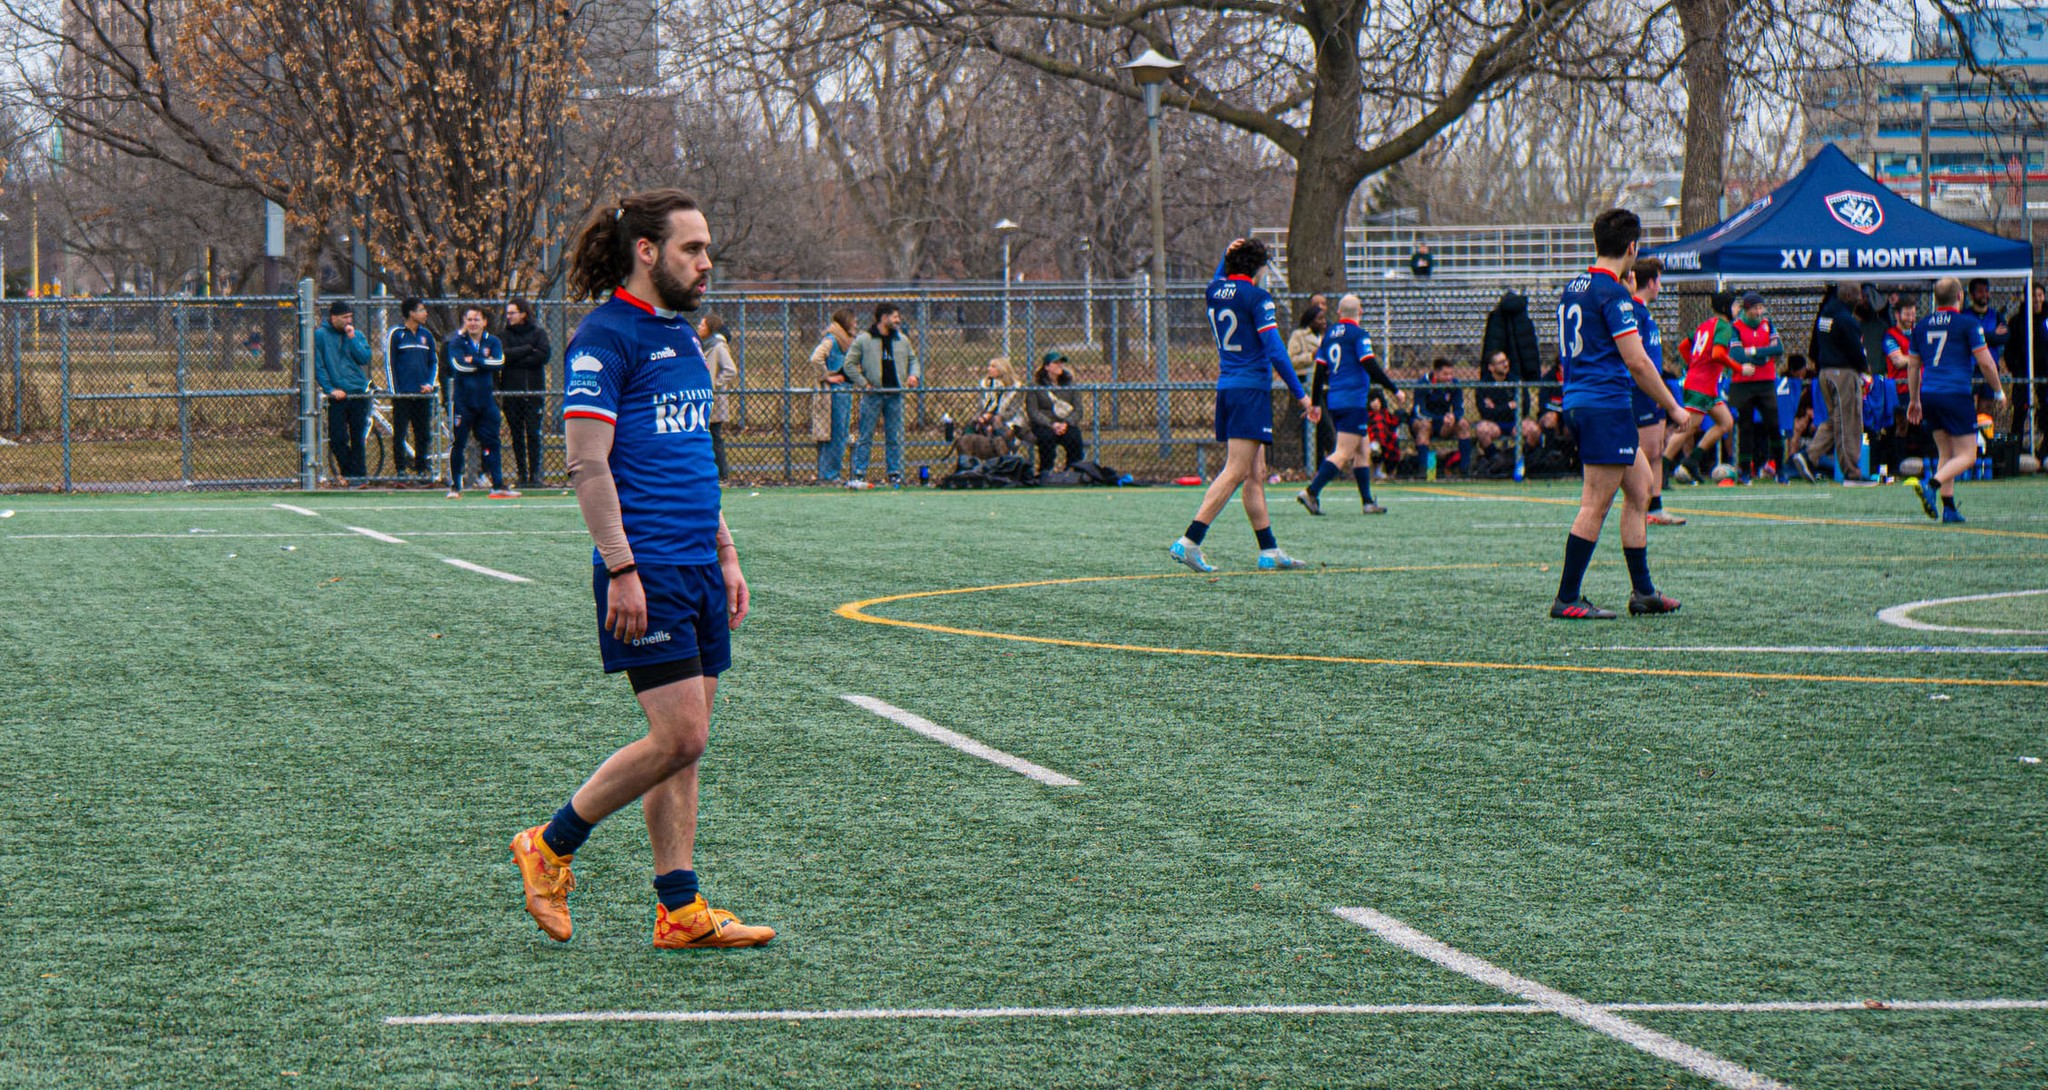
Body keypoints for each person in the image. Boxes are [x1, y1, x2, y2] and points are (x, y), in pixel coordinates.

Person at [509, 186, 774, 951]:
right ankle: (550, 845)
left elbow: (693, 457)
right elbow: (588, 467)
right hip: (647, 567)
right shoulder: (603, 339)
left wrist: (726, 553)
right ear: (647, 252)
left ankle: (679, 909)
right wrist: (621, 568)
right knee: (680, 736)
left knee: (688, 745)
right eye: (693, 249)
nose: (706, 263)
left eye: (708, 249)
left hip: (696, 565)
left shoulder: (684, 336)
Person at [1548, 209, 1689, 620]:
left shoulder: (1574, 286)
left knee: (1641, 485)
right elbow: (1639, 362)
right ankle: (1567, 597)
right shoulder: (1612, 293)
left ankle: (1643, 592)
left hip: (1585, 399)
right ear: (1632, 248)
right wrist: (1673, 407)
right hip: (1604, 403)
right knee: (1596, 502)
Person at [1169, 238, 1316, 572]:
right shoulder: (1258, 298)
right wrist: (1301, 395)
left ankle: (1269, 550)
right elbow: (1276, 351)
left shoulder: (1214, 291)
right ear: (1259, 269)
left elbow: (1220, 280)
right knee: (1236, 471)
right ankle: (1189, 541)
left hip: (1229, 388)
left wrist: (1225, 255)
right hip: (1251, 390)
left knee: (1255, 473)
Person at [1905, 276, 2007, 523]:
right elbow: (1985, 362)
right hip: (1956, 394)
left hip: (1929, 394)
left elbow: (1913, 366)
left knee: (1947, 452)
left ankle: (1949, 508)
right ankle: (1931, 484)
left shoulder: (1921, 325)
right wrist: (1998, 390)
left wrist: (1914, 400)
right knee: (1968, 455)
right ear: (1960, 296)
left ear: (1936, 298)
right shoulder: (1967, 324)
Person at [1297, 294, 1401, 515]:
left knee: (1362, 450)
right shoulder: (1359, 335)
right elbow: (1369, 363)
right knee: (1343, 452)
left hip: (1336, 400)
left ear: (1338, 313)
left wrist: (1315, 403)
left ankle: (1367, 502)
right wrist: (1394, 389)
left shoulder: (1329, 336)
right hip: (1352, 401)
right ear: (1360, 312)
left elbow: (1318, 371)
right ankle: (1311, 492)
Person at [1625, 259, 1684, 526]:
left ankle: (1656, 508)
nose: (1660, 285)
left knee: (1657, 450)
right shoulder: (1633, 313)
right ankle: (1641, 506)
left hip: (1654, 391)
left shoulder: (1644, 313)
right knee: (1646, 452)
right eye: (1659, 280)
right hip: (1641, 392)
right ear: (1650, 282)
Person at [1796, 282, 1872, 484]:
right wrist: (1866, 371)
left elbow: (1814, 347)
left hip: (1825, 372)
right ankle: (1852, 472)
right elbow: (1856, 352)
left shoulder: (1825, 316)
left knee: (1836, 419)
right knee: (1849, 421)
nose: (1861, 300)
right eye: (1859, 297)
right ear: (1850, 297)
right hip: (1843, 374)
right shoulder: (1847, 320)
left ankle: (1808, 457)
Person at [1662, 290, 1741, 484]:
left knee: (1726, 422)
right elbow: (1717, 354)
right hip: (1701, 385)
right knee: (1689, 428)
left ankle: (1691, 461)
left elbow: (1683, 347)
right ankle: (1662, 469)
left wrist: (1694, 364)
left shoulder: (1706, 324)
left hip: (1705, 384)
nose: (1738, 309)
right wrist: (1739, 368)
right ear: (1725, 308)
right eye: (1735, 305)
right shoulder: (1724, 326)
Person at [446, 305, 517, 500]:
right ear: (464, 322)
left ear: (484, 322)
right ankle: (455, 487)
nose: (473, 323)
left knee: (492, 442)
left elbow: (499, 362)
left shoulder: (492, 341)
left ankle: (498, 485)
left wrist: (475, 360)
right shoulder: (457, 342)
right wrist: (483, 363)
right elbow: (459, 365)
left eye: (477, 319)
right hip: (463, 402)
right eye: (469, 319)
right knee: (458, 443)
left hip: (486, 402)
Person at [845, 302, 918, 488]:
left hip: (895, 393)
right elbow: (849, 364)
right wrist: (864, 383)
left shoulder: (901, 339)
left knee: (893, 435)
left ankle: (894, 473)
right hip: (873, 394)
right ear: (883, 318)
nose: (897, 320)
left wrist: (913, 375)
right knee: (866, 435)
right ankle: (859, 473)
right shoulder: (865, 339)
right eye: (894, 316)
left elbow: (913, 360)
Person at [314, 300, 372, 485]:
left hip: (357, 392)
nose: (348, 320)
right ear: (333, 317)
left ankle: (358, 477)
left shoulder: (355, 335)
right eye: (344, 317)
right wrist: (330, 389)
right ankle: (351, 473)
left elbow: (364, 358)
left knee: (358, 437)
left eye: (350, 317)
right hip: (338, 394)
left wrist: (352, 338)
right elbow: (319, 365)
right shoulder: (321, 335)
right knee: (337, 438)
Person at [1728, 291, 1785, 480]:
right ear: (1746, 309)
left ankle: (1780, 469)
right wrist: (1764, 356)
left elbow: (1778, 349)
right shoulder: (1735, 327)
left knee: (1774, 425)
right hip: (1744, 383)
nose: (1759, 312)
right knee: (1745, 427)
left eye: (1761, 307)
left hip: (1766, 382)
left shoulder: (1768, 324)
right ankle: (1745, 469)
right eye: (1755, 308)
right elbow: (1737, 356)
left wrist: (1753, 352)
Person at [500, 298, 553, 489]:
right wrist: (527, 350)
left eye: (512, 313)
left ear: (523, 313)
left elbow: (543, 355)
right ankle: (521, 474)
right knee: (516, 434)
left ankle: (535, 475)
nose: (509, 317)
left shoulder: (538, 332)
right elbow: (504, 356)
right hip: (511, 391)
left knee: (533, 433)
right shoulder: (505, 334)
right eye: (508, 313)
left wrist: (518, 357)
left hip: (533, 391)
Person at [384, 298, 439, 481]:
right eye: (421, 310)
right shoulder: (396, 334)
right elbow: (390, 363)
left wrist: (429, 384)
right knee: (400, 432)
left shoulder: (426, 335)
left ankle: (422, 468)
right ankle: (401, 470)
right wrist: (395, 391)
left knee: (423, 432)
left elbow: (433, 362)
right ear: (411, 313)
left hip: (422, 393)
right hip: (403, 394)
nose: (425, 313)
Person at [808, 309, 857, 483]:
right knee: (835, 434)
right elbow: (815, 358)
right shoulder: (832, 340)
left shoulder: (847, 342)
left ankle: (829, 473)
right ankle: (829, 475)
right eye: (853, 321)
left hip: (844, 391)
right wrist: (826, 376)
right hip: (834, 394)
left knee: (841, 434)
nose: (855, 325)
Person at [1410, 358, 1473, 475]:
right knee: (1424, 425)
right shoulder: (1423, 383)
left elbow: (1459, 408)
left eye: (1451, 374)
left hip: (1444, 424)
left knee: (1463, 424)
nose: (1449, 377)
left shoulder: (1454, 384)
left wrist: (1453, 417)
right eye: (1445, 374)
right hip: (1423, 422)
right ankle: (1423, 471)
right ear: (1436, 372)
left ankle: (1465, 470)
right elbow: (1419, 411)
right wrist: (1439, 419)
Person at [1026, 351, 1085, 474]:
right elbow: (1033, 411)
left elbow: (1078, 410)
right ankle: (1046, 470)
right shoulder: (1035, 386)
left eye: (1061, 363)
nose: (1060, 366)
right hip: (1045, 424)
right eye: (1056, 363)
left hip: (1065, 423)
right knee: (1046, 437)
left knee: (1074, 436)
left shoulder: (1070, 385)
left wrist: (1066, 424)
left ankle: (1073, 469)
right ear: (1047, 367)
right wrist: (1051, 424)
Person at [1290, 303, 1334, 462]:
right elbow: (1291, 360)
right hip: (1309, 384)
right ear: (1310, 320)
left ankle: (1326, 464)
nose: (1323, 322)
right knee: (1325, 427)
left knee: (1327, 426)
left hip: (1329, 384)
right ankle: (1331, 461)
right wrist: (1311, 355)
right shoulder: (1299, 335)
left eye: (1324, 318)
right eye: (1319, 319)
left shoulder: (1330, 335)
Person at [700, 313, 739, 481]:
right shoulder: (706, 344)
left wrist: (714, 384)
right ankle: (713, 472)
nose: (699, 327)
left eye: (702, 324)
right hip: (706, 397)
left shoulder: (717, 346)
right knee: (708, 435)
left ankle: (722, 473)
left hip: (715, 399)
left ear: (710, 327)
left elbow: (730, 370)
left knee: (715, 435)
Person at [1473, 350, 1521, 453]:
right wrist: (1508, 406)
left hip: (1514, 422)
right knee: (1482, 429)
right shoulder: (1484, 385)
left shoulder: (1516, 381)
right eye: (1501, 362)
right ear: (1491, 367)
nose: (1505, 364)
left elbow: (1524, 407)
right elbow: (1485, 413)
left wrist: (1497, 409)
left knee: (1532, 430)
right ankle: (1496, 458)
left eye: (1506, 361)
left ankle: (1517, 458)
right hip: (1494, 424)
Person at [973, 355, 1024, 442]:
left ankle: (1004, 454)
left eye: (993, 366)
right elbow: (980, 407)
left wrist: (993, 417)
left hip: (1008, 421)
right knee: (969, 432)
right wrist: (979, 418)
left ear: (1002, 369)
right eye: (989, 366)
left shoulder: (1016, 388)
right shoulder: (986, 385)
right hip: (986, 419)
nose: (989, 369)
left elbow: (1012, 412)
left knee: (996, 430)